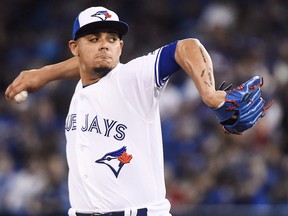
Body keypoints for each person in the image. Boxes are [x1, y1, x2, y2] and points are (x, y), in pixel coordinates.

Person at [5, 6, 227, 216]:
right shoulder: (82, 87)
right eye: (93, 39)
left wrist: (209, 92)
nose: (104, 45)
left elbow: (187, 46)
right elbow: (86, 64)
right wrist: (44, 74)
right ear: (74, 48)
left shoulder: (132, 78)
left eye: (112, 39)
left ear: (120, 47)